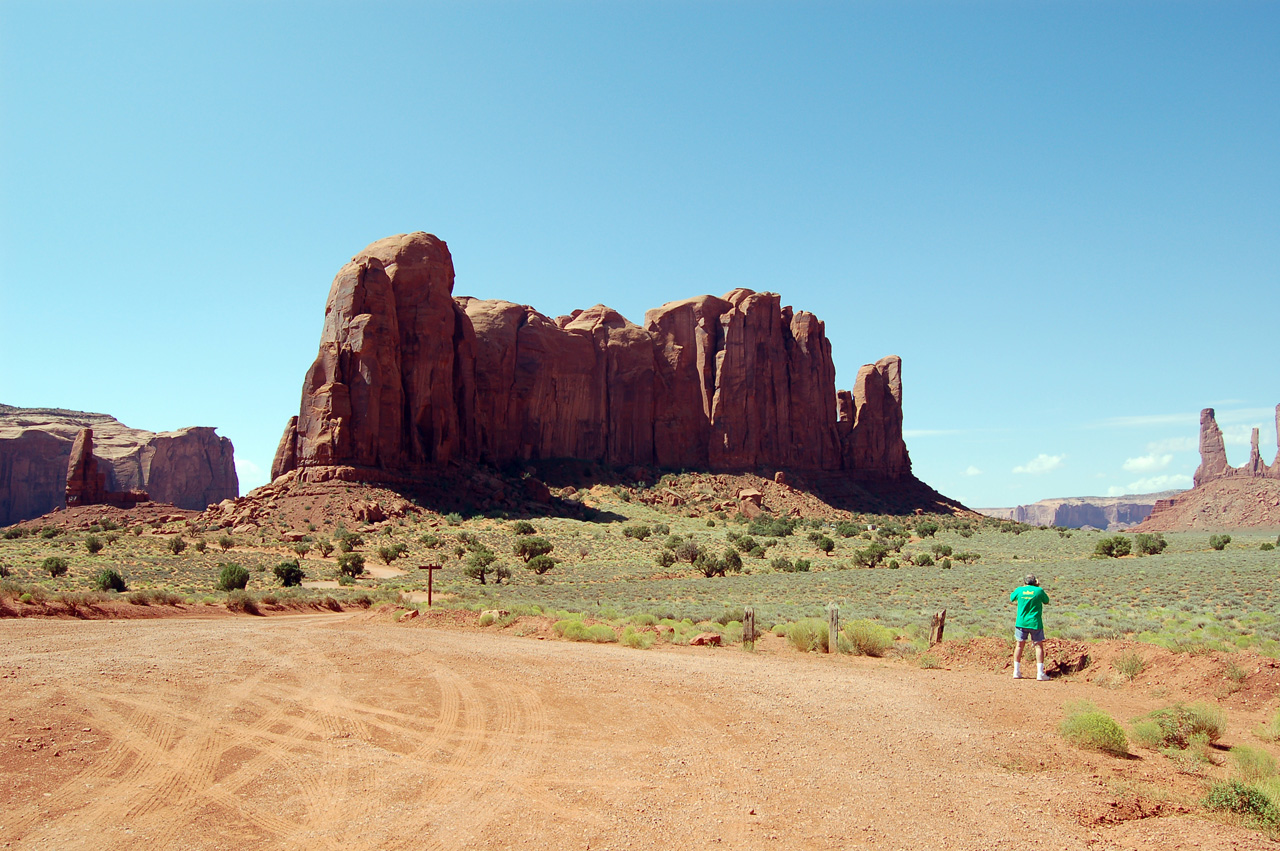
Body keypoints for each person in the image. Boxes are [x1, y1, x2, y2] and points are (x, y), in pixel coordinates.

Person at [1010, 574, 1050, 681]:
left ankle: (1016, 671)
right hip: (1035, 623)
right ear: (1035, 581)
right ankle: (1040, 673)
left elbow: (1011, 598)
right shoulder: (1039, 590)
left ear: (1025, 582)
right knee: (1038, 646)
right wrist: (1037, 587)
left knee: (1019, 645)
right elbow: (1046, 601)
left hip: (1021, 622)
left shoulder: (1020, 590)